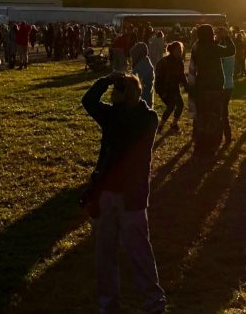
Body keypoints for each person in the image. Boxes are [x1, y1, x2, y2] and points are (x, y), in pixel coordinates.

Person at [82, 73, 165, 314]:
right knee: (140, 252)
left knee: (105, 255)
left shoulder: (112, 116)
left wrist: (105, 79)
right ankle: (153, 301)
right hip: (134, 194)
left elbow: (88, 101)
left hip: (108, 192)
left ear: (120, 95)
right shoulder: (148, 118)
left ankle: (109, 304)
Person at [190, 24, 225, 157]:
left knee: (202, 115)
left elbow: (193, 68)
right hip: (214, 86)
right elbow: (230, 51)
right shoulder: (214, 47)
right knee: (214, 115)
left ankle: (200, 142)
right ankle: (211, 143)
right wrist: (225, 38)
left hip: (201, 86)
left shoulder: (196, 47)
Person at [154, 41, 186, 132]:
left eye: (181, 50)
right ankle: (160, 126)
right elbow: (159, 77)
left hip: (174, 88)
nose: (180, 52)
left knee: (180, 105)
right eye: (178, 50)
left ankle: (174, 124)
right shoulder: (164, 62)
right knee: (171, 105)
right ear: (172, 50)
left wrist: (187, 87)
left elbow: (182, 76)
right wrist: (161, 91)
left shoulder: (180, 62)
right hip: (164, 88)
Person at [217, 27, 236, 148]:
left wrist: (223, 37)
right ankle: (226, 136)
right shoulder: (231, 54)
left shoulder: (222, 55)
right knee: (223, 112)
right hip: (229, 85)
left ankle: (224, 136)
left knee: (221, 113)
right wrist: (226, 37)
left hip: (222, 85)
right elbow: (232, 48)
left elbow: (230, 48)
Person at [130, 42, 155, 108]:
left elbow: (135, 81)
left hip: (142, 98)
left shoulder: (143, 65)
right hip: (143, 97)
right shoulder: (144, 62)